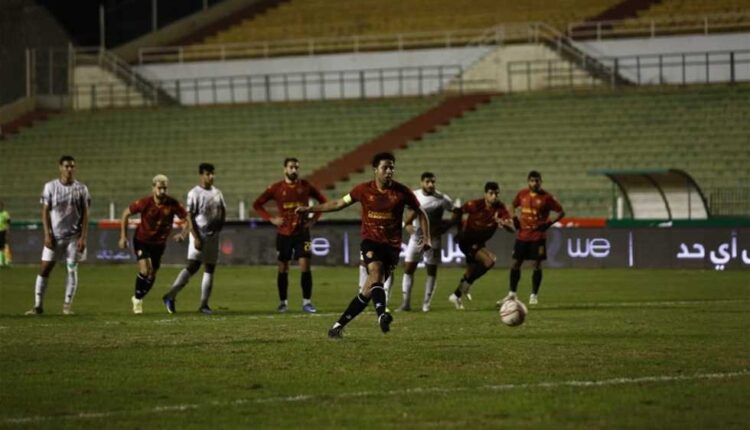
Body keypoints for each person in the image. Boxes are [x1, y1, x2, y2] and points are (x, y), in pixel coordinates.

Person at [297, 152, 430, 339]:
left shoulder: (401, 192)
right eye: (385, 167)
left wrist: (427, 238)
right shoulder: (363, 190)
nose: (389, 171)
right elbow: (338, 203)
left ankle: (337, 327)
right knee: (376, 272)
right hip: (371, 242)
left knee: (367, 292)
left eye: (392, 167)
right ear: (375, 170)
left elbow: (421, 212)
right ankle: (382, 315)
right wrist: (310, 209)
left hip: (392, 247)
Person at [253, 157, 327, 313]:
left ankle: (307, 302)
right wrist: (271, 219)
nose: (294, 170)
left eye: (296, 167)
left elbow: (323, 201)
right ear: (285, 169)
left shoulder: (305, 186)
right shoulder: (276, 188)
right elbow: (257, 204)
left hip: (303, 233)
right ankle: (283, 302)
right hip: (284, 234)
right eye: (291, 167)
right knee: (283, 268)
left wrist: (314, 219)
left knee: (305, 266)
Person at [25, 156, 90, 315]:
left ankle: (67, 306)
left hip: (74, 237)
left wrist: (83, 237)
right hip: (55, 237)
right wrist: (47, 234)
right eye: (66, 166)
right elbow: (45, 212)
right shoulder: (50, 187)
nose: (69, 169)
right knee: (45, 269)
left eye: (72, 166)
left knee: (72, 270)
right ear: (60, 167)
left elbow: (85, 214)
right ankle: (38, 306)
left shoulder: (82, 189)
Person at [119, 174, 193, 314]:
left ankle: (138, 297)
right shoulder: (145, 202)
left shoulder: (172, 203)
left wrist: (183, 234)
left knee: (152, 274)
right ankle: (138, 301)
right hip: (142, 240)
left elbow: (188, 219)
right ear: (153, 188)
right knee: (145, 270)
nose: (162, 191)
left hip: (159, 244)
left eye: (165, 188)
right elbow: (125, 213)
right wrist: (123, 236)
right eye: (160, 188)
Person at [162, 163, 226, 314]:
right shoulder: (194, 193)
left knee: (210, 268)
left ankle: (204, 305)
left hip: (213, 236)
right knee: (193, 265)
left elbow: (222, 211)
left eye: (213, 173)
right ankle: (170, 295)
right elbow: (190, 217)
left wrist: (219, 226)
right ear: (201, 175)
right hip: (200, 235)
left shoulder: (218, 193)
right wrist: (195, 237)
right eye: (208, 174)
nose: (211, 176)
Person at [501, 170, 564, 305]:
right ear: (528, 181)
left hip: (537, 236)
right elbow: (511, 205)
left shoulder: (547, 197)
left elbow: (561, 212)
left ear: (541, 182)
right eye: (532, 181)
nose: (534, 183)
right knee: (516, 263)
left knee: (536, 264)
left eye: (537, 181)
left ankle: (534, 295)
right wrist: (514, 218)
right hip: (522, 235)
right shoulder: (522, 194)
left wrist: (548, 223)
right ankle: (512, 294)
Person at [448, 182, 514, 310]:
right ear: (485, 194)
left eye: (496, 194)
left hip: (479, 243)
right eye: (491, 193)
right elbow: (458, 212)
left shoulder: (500, 208)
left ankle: (456, 296)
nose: (494, 196)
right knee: (490, 261)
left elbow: (512, 228)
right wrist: (458, 230)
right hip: (467, 241)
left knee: (471, 271)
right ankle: (466, 286)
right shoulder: (475, 204)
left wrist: (503, 223)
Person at [398, 172, 454, 312]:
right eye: (428, 182)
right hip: (416, 238)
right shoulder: (414, 195)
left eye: (433, 182)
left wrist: (447, 226)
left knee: (431, 271)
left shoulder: (442, 198)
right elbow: (407, 214)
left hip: (433, 239)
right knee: (408, 269)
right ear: (421, 182)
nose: (431, 185)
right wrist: (409, 227)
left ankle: (426, 305)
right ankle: (406, 304)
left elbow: (456, 211)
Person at [0, 201, 10, 268]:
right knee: (0, 247)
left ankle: (6, 261)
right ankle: (1, 261)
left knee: (4, 246)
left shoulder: (5, 214)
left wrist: (7, 231)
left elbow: (8, 222)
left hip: (3, 231)